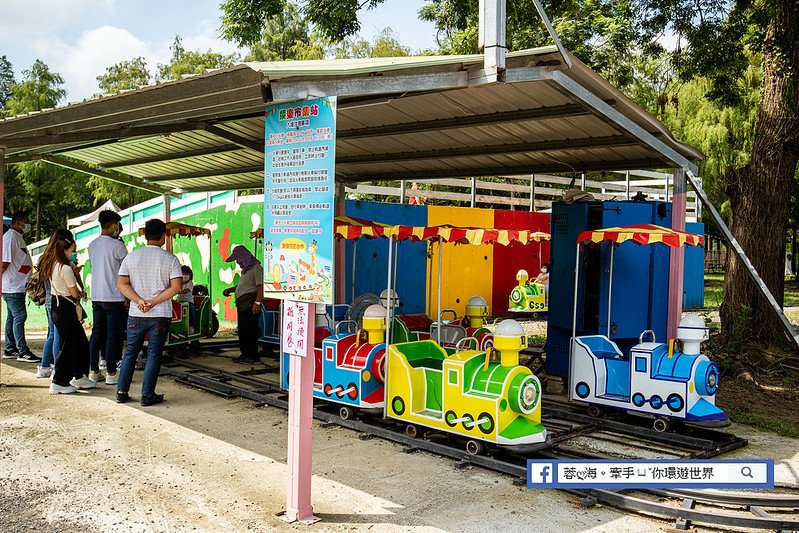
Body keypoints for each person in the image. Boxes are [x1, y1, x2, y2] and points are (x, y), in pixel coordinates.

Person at [115, 219, 182, 406]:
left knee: (130, 353)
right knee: (153, 354)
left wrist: (139, 301)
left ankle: (121, 392)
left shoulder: (132, 257)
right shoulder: (170, 259)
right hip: (160, 314)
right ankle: (147, 396)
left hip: (136, 313)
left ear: (145, 235)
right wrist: (153, 302)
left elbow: (121, 283)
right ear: (164, 235)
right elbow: (176, 287)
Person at [38, 232, 96, 394]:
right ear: (65, 250)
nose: (74, 253)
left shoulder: (54, 264)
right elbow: (75, 293)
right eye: (73, 250)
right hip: (66, 308)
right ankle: (60, 381)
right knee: (68, 346)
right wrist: (81, 292)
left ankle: (79, 376)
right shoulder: (65, 268)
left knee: (79, 343)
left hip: (59, 307)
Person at [87, 210, 128, 385]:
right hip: (114, 296)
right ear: (112, 226)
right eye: (117, 225)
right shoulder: (117, 246)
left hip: (97, 295)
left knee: (97, 334)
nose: (118, 228)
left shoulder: (92, 245)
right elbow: (127, 270)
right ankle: (111, 373)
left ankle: (94, 371)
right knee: (113, 335)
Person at [2, 212, 40, 363]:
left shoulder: (17, 237)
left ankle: (10, 348)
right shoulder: (10, 237)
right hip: (12, 286)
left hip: (17, 285)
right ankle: (22, 351)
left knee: (12, 317)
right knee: (20, 316)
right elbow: (4, 263)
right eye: (26, 221)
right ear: (17, 222)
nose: (28, 224)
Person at [36, 229, 75, 379]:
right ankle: (57, 369)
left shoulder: (44, 257)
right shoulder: (59, 260)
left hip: (48, 299)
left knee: (52, 334)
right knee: (58, 335)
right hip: (58, 300)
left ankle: (45, 367)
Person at [222, 246, 264, 364]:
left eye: (238, 259)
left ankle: (252, 356)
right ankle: (245, 354)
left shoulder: (256, 268)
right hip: (243, 305)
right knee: (243, 330)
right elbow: (245, 286)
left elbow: (260, 286)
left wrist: (257, 303)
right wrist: (231, 290)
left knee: (249, 330)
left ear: (243, 257)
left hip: (250, 305)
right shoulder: (246, 270)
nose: (237, 262)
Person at [175, 265, 195, 333]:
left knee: (191, 311)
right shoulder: (178, 283)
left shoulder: (190, 283)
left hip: (188, 301)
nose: (184, 275)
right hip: (179, 301)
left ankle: (191, 326)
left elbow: (186, 291)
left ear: (190, 275)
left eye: (186, 274)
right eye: (183, 274)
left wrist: (176, 291)